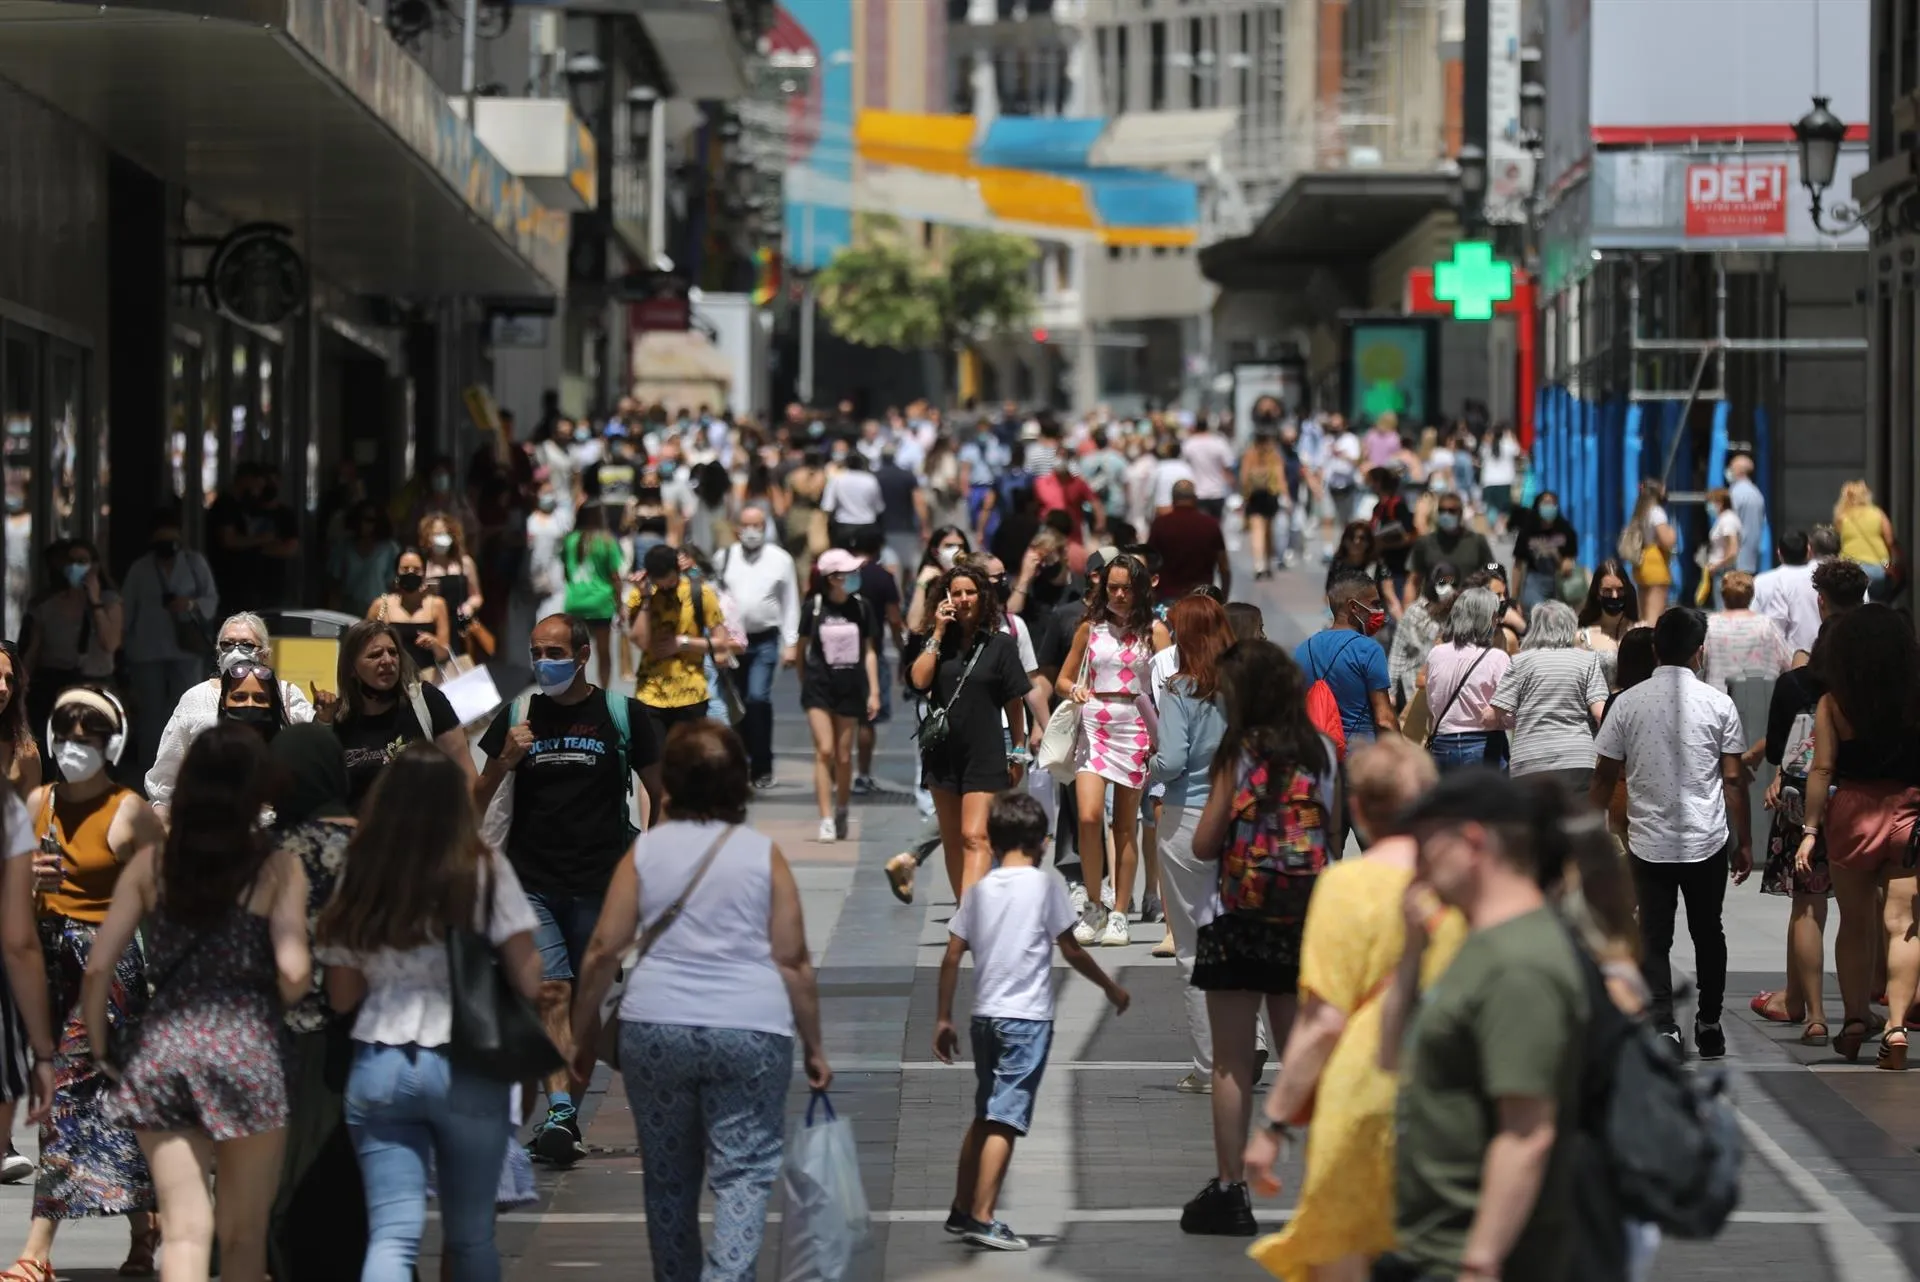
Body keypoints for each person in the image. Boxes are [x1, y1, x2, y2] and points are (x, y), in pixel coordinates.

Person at [567, 721, 832, 1282]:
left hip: (655, 1030)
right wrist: (814, 1046)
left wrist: (580, 1034)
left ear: (671, 785)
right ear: (738, 783)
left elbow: (600, 950)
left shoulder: (645, 854)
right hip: (752, 1031)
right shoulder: (763, 855)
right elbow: (793, 960)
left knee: (667, 1178)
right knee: (743, 1177)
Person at [88, 725, 311, 1282]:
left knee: (186, 1230)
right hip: (247, 1049)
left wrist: (100, 1047)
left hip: (164, 1050)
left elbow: (97, 967)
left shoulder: (151, 867)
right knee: (243, 1234)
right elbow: (293, 971)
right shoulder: (278, 867)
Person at [316, 744, 543, 1282]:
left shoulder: (363, 871)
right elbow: (528, 977)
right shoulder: (484, 869)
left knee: (392, 1236)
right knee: (470, 1238)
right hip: (468, 1064)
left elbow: (342, 996)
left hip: (380, 1061)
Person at [1243, 738, 1462, 1280]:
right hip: (1448, 1102)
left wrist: (1272, 1125)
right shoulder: (1465, 883)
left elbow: (1323, 1022)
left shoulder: (1345, 886)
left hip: (1360, 1099)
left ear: (1358, 808)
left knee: (1343, 1255)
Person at [1376, 771, 1590, 1282]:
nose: (1416, 867)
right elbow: (1390, 1060)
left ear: (1471, 842)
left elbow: (1527, 1131)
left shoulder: (1520, 966)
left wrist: (1481, 1260)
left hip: (1472, 1256)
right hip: (1432, 1246)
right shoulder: (1481, 945)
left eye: (1425, 847)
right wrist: (1410, 958)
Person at [474, 615, 662, 1164]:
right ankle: (561, 1114)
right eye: (535, 651)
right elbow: (476, 803)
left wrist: (651, 856)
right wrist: (502, 761)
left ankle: (645, 1090)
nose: (541, 662)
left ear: (582, 655)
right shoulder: (516, 717)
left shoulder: (623, 715)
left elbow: (660, 791)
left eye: (553, 651)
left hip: (603, 882)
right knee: (551, 993)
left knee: (591, 1005)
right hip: (531, 881)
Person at [1180, 639, 1338, 1237]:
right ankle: (1323, 1188)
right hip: (1302, 921)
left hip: (1236, 917)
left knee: (1232, 1062)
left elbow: (1203, 843)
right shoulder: (1322, 751)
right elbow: (1334, 833)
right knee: (1305, 1059)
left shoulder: (1237, 754)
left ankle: (1230, 1192)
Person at [932, 791, 1128, 1252]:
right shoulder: (1046, 889)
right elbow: (1072, 949)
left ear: (995, 843)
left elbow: (952, 954)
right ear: (1042, 843)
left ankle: (962, 1207)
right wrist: (1109, 987)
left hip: (985, 1019)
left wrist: (943, 1017)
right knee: (1006, 1117)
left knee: (985, 1114)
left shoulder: (979, 890)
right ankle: (983, 1216)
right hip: (1026, 1021)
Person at [18, 688, 162, 1279]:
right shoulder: (39, 801)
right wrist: (27, 875)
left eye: (90, 737)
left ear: (113, 744)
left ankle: (36, 1250)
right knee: (113, 1105)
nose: (76, 747)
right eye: (68, 735)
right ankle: (145, 1231)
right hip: (53, 958)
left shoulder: (131, 810)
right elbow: (19, 901)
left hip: (111, 962)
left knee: (66, 1095)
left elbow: (168, 896)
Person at [1590, 607, 1752, 1059]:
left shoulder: (1626, 703)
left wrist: (1582, 829)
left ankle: (1664, 1025)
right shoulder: (1720, 703)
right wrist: (1746, 841)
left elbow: (1604, 777)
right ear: (1699, 653)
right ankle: (1710, 1021)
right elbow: (1735, 779)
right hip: (1706, 839)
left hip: (1648, 841)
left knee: (1654, 936)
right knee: (1709, 931)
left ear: (1657, 649)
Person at [260, 727, 366, 1282]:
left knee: (286, 1183)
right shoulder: (371, 845)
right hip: (366, 1030)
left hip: (290, 1034)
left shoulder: (279, 850)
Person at [1793, 604, 1920, 1067]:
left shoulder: (1834, 702)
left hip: (1851, 815)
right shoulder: (1914, 696)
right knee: (1903, 924)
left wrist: (1810, 831)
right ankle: (1898, 1026)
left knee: (1853, 922)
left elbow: (1822, 768)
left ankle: (1852, 1021)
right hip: (1908, 811)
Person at [1148, 596, 1239, 1092]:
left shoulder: (1180, 688)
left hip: (1187, 818)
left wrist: (1149, 766)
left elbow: (1174, 759)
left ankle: (1209, 1066)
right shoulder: (1242, 686)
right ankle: (1249, 1043)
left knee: (1192, 949)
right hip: (1238, 819)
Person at [1056, 553, 1171, 947]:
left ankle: (1120, 912)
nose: (1119, 595)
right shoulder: (1090, 628)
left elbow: (1167, 686)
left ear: (1140, 589)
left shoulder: (1155, 632)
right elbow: (1063, 678)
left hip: (1136, 726)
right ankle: (1093, 905)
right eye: (1112, 587)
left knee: (1125, 825)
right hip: (1094, 724)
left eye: (1126, 588)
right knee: (1088, 817)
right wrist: (1074, 689)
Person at [907, 562, 1034, 899]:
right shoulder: (938, 642)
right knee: (952, 840)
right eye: (957, 593)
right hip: (943, 752)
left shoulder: (1000, 645)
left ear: (982, 597)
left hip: (985, 751)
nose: (963, 599)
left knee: (975, 836)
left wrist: (1017, 750)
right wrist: (936, 632)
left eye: (970, 593)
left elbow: (1014, 702)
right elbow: (919, 681)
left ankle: (972, 917)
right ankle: (966, 910)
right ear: (946, 598)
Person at [143, 614, 315, 817]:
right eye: (227, 644)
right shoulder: (196, 698)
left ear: (265, 654)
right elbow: (167, 771)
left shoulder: (286, 694)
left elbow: (313, 754)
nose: (236, 651)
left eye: (247, 644)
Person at [320, 620, 468, 810]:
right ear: (351, 670)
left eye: (393, 652)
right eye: (375, 655)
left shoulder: (427, 701)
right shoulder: (339, 719)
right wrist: (323, 722)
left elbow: (465, 776)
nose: (387, 661)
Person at [119, 510, 220, 776]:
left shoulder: (194, 563)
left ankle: (187, 768)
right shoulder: (140, 568)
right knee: (150, 714)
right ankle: (150, 769)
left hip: (186, 648)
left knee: (187, 707)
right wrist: (120, 645)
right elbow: (126, 610)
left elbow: (211, 599)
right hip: (146, 649)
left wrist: (190, 604)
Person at [797, 550, 881, 843]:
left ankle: (842, 807)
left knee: (844, 756)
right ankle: (825, 818)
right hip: (819, 687)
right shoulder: (815, 608)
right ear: (832, 578)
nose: (853, 577)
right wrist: (804, 681)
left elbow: (870, 651)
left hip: (851, 688)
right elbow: (801, 649)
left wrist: (874, 691)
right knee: (825, 750)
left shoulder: (862, 608)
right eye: (847, 573)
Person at [715, 506, 801, 790]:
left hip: (765, 640)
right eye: (747, 524)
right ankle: (742, 762)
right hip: (731, 643)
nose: (752, 530)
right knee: (735, 704)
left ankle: (762, 765)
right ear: (737, 527)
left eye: (759, 524)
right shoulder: (724, 558)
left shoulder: (781, 560)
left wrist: (791, 643)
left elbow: (790, 602)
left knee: (757, 698)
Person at [1489, 601, 1610, 792]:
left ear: (1535, 628)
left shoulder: (1520, 662)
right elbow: (1600, 713)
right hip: (1577, 759)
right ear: (1571, 625)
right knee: (1576, 821)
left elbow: (1494, 714)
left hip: (1530, 762)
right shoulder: (1587, 660)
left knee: (1536, 821)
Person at [630, 543, 730, 749]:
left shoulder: (700, 593)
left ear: (677, 570)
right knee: (654, 764)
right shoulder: (641, 596)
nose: (665, 586)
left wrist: (683, 643)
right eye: (659, 581)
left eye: (669, 580)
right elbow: (640, 641)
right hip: (650, 693)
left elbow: (721, 642)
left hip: (691, 694)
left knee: (688, 764)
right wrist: (646, 599)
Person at [22, 540, 122, 744]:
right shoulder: (47, 606)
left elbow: (110, 643)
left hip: (95, 683)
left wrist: (94, 602)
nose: (76, 566)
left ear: (94, 565)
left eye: (82, 561)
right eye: (71, 561)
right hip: (54, 683)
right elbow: (33, 651)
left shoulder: (109, 601)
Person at [1295, 571, 1396, 747]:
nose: (1379, 611)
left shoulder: (1302, 650)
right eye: (1374, 604)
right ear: (1354, 607)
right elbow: (1384, 720)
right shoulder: (1369, 650)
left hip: (1317, 755)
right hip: (1359, 757)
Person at [1422, 587, 1512, 773]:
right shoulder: (1497, 658)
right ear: (1486, 618)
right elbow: (1512, 713)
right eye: (1494, 615)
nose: (1496, 621)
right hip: (1484, 746)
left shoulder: (1436, 654)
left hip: (1442, 745)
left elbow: (1432, 704)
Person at [562, 503, 626, 690]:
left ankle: (576, 690)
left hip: (575, 602)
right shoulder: (607, 541)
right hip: (601, 603)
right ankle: (603, 692)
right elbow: (615, 576)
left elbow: (566, 572)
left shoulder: (570, 540)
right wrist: (620, 604)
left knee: (575, 653)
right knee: (603, 652)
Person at [366, 548, 452, 679]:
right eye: (405, 569)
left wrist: (434, 644)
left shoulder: (437, 605)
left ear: (424, 573)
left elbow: (444, 653)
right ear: (396, 573)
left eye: (416, 569)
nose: (411, 573)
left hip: (428, 680)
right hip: (391, 679)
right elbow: (366, 648)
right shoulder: (380, 605)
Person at [1701, 571, 1792, 691]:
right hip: (1759, 700)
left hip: (1717, 701)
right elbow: (1787, 662)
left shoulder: (1710, 624)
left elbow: (1700, 663)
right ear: (1751, 595)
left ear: (1723, 595)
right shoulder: (1766, 625)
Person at [1145, 480, 1230, 603]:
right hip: (1202, 599)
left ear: (1173, 499)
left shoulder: (1160, 524)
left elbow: (1149, 562)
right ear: (1195, 499)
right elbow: (1224, 566)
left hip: (1168, 598)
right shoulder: (1210, 524)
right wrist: (1223, 597)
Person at [1388, 561, 1457, 711]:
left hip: (1446, 691)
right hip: (1413, 688)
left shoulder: (1457, 613)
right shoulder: (1415, 613)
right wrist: (1391, 691)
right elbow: (1398, 654)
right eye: (1443, 582)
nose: (1448, 587)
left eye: (1452, 582)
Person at [419, 511, 485, 664]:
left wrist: (469, 606)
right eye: (435, 534)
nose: (441, 538)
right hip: (434, 627)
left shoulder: (464, 563)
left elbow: (477, 596)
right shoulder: (423, 566)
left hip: (459, 626)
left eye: (444, 533)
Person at [1407, 490, 1493, 607]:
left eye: (1452, 511)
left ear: (1460, 513)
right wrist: (1407, 615)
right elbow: (1413, 582)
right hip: (1433, 612)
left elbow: (1492, 577)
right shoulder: (1425, 543)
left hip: (1468, 611)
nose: (1446, 514)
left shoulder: (1477, 541)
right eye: (1442, 511)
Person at [1753, 528, 1823, 656]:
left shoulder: (1763, 581)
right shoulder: (1823, 576)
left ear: (1779, 553)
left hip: (1783, 659)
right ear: (1809, 551)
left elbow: (1755, 620)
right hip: (1823, 655)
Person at [327, 504, 400, 620]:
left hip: (380, 610)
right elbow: (335, 585)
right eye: (360, 519)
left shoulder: (390, 549)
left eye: (369, 520)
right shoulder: (343, 547)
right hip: (349, 611)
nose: (363, 524)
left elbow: (394, 586)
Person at [1573, 559, 1639, 687]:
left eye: (1620, 590)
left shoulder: (1639, 631)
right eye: (1607, 591)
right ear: (1597, 594)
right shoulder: (1583, 638)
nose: (1614, 596)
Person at [1509, 491, 1579, 612]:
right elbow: (1518, 566)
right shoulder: (1528, 531)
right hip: (1534, 580)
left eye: (1552, 504)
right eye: (1545, 503)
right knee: (1539, 612)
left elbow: (1569, 562)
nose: (1549, 507)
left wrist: (1556, 555)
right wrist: (1514, 597)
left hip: (1558, 581)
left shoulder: (1565, 530)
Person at [1619, 479, 1677, 622]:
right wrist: (1673, 533)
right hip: (1655, 563)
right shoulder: (1657, 512)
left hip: (1642, 562)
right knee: (1654, 616)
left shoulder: (1641, 511)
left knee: (1643, 615)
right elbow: (1667, 540)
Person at [1834, 479, 1899, 600]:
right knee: (1876, 603)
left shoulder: (1842, 517)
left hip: (1850, 568)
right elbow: (1890, 540)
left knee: (1853, 603)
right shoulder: (1877, 513)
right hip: (1877, 568)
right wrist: (1888, 564)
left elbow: (1837, 540)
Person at [1364, 469, 1415, 615]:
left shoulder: (1398, 505)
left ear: (1379, 483)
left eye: (1372, 482)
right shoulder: (1378, 508)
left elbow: (1410, 536)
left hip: (1398, 568)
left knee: (1397, 606)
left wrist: (1386, 544)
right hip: (1382, 566)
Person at [1241, 432, 1288, 581]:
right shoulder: (1274, 456)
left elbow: (1244, 477)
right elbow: (1280, 478)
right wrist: (1286, 496)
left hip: (1254, 497)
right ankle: (1267, 564)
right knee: (1268, 531)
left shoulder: (1249, 455)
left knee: (1256, 531)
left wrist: (1244, 496)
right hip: (1270, 496)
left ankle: (1258, 565)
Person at [820, 449, 885, 550]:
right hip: (866, 525)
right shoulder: (870, 480)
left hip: (844, 525)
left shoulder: (837, 479)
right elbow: (879, 507)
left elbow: (827, 506)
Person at [218, 660, 292, 742]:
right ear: (223, 703)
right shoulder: (208, 751)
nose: (250, 704)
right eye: (239, 697)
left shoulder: (284, 752)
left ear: (272, 702)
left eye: (260, 698)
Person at [1181, 417, 1237, 520]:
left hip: (1197, 492)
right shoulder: (1218, 442)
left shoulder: (1189, 444)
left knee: (1200, 528)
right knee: (1216, 526)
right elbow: (1228, 465)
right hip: (1217, 491)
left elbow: (1184, 466)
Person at [1702, 486, 1742, 608]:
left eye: (1711, 502)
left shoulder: (1727, 520)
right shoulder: (1723, 519)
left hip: (1724, 571)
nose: (1709, 506)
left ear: (1720, 502)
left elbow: (1732, 550)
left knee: (1723, 608)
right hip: (1721, 570)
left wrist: (1717, 565)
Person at [1727, 454, 1767, 574]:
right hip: (1751, 559)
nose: (1729, 471)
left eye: (1731, 468)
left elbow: (1729, 526)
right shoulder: (1756, 494)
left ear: (1739, 471)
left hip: (1734, 560)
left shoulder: (1735, 494)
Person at [1480, 423, 1522, 533]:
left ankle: (1493, 529)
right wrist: (1511, 437)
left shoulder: (1486, 446)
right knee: (1504, 508)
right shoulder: (1508, 444)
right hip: (1505, 481)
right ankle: (1501, 525)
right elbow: (1518, 452)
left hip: (1489, 481)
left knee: (1491, 507)